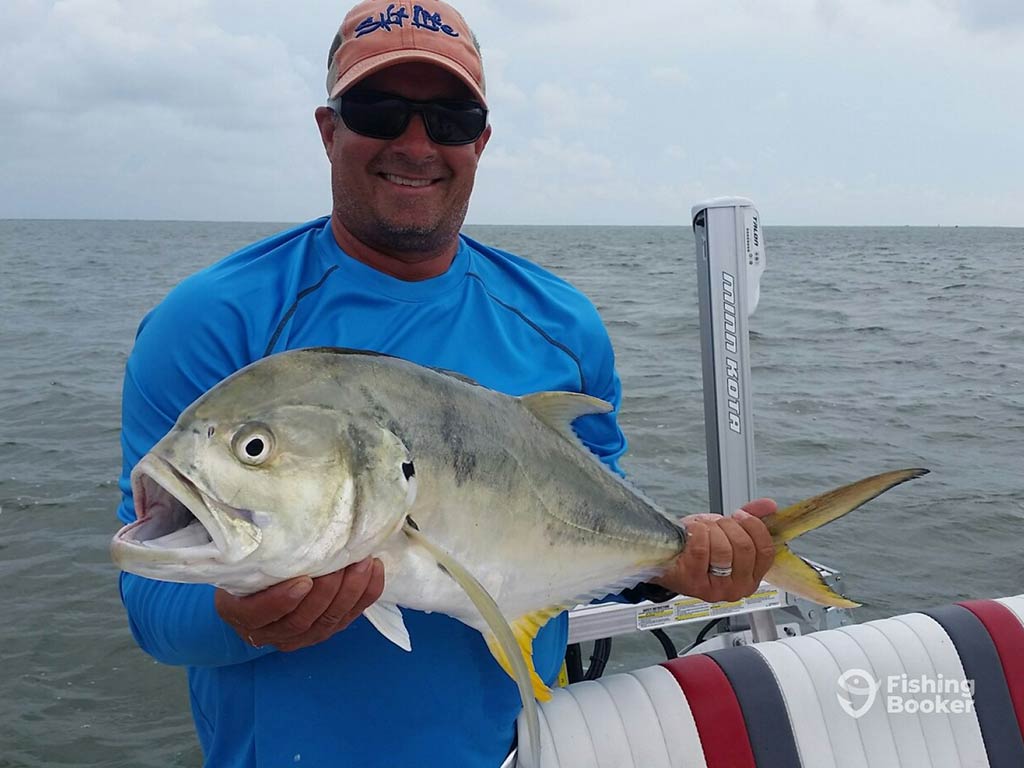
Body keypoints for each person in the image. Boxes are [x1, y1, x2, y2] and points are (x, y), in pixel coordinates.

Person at [115, 1, 777, 765]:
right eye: (378, 110)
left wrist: (672, 565)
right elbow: (151, 603)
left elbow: (575, 536)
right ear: (329, 131)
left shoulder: (561, 324)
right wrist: (239, 614)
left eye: (451, 118)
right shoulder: (209, 323)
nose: (416, 143)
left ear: (482, 141)